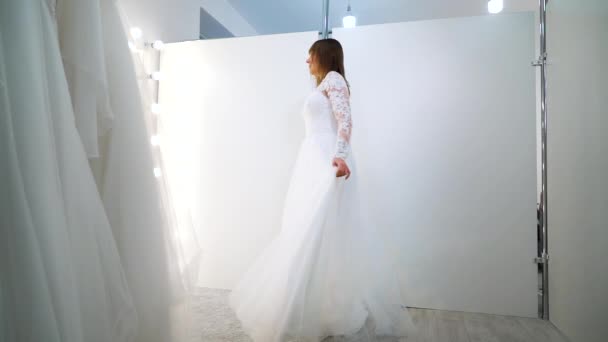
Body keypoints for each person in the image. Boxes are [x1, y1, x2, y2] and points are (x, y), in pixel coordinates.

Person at [229, 38, 417, 341]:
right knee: (306, 227)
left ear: (324, 56)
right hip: (313, 158)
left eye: (310, 55)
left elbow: (345, 120)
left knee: (313, 229)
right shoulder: (323, 85)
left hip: (327, 159)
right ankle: (309, 304)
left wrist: (340, 156)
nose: (306, 61)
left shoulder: (334, 79)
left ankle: (301, 308)